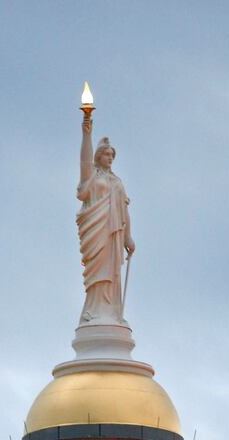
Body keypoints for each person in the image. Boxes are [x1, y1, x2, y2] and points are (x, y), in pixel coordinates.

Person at [76, 117, 135, 326]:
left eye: (112, 155)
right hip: (96, 228)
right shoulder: (92, 177)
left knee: (112, 270)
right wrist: (87, 135)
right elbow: (84, 163)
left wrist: (128, 237)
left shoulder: (117, 182)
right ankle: (94, 311)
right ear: (98, 156)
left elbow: (124, 209)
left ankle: (111, 313)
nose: (110, 158)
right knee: (97, 269)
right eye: (107, 154)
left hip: (114, 233)